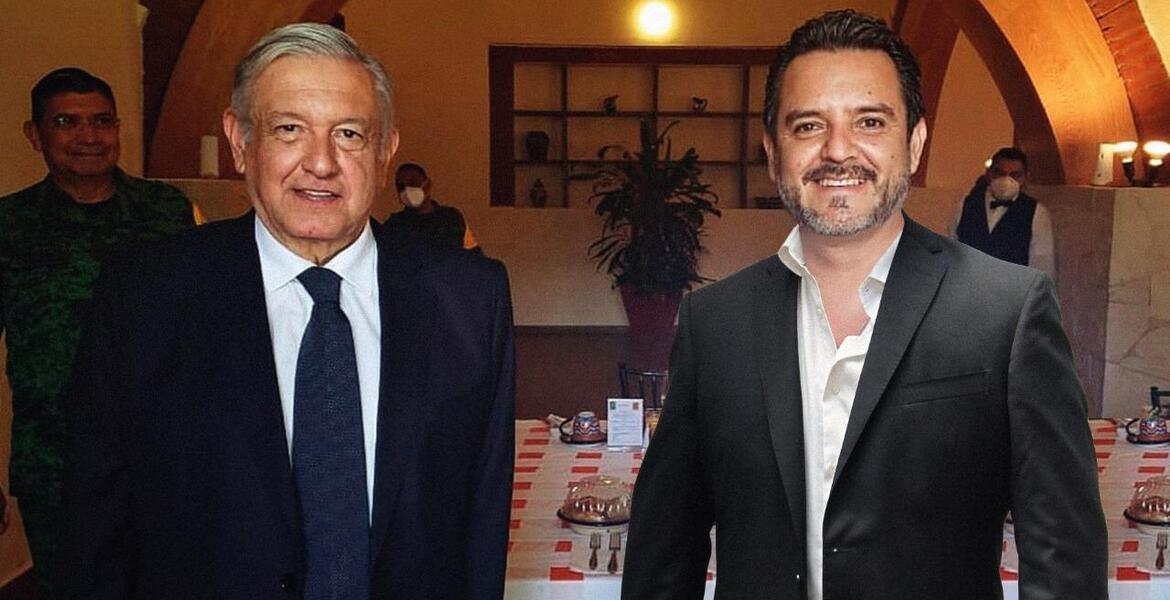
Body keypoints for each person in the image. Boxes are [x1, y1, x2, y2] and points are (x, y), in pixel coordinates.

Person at [621, 10, 1105, 600]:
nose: (837, 150)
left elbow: (1063, 558)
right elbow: (664, 553)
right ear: (773, 152)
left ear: (914, 143)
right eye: (808, 126)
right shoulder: (714, 322)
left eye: (869, 121)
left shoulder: (1008, 310)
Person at [61, 23, 515, 599]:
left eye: (348, 134)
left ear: (384, 151)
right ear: (239, 140)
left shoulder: (469, 298)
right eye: (289, 129)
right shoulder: (146, 296)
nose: (320, 163)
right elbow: (96, 525)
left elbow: (482, 520)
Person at [0, 67, 193, 589]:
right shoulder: (10, 226)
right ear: (35, 134)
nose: (90, 136)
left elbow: (201, 332)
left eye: (103, 121)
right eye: (67, 122)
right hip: (55, 465)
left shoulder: (166, 213)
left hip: (161, 455)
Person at [948, 147, 1056, 280]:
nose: (1006, 180)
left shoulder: (1037, 213)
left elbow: (1042, 265)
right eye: (999, 173)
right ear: (988, 174)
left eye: (1015, 175)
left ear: (1026, 178)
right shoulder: (966, 204)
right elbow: (952, 249)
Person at [384, 162, 480, 252]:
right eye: (401, 187)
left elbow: (472, 253)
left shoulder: (452, 218)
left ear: (427, 185)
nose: (407, 190)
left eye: (413, 183)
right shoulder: (395, 225)